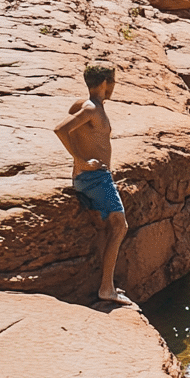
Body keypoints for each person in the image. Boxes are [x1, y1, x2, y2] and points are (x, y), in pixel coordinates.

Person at [53, 62, 133, 305]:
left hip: (91, 177)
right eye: (113, 82)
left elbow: (72, 123)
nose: (114, 87)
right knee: (120, 226)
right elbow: (60, 129)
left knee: (107, 226)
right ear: (105, 83)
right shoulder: (91, 110)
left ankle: (105, 283)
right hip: (95, 178)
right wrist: (81, 160)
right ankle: (106, 288)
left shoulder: (83, 105)